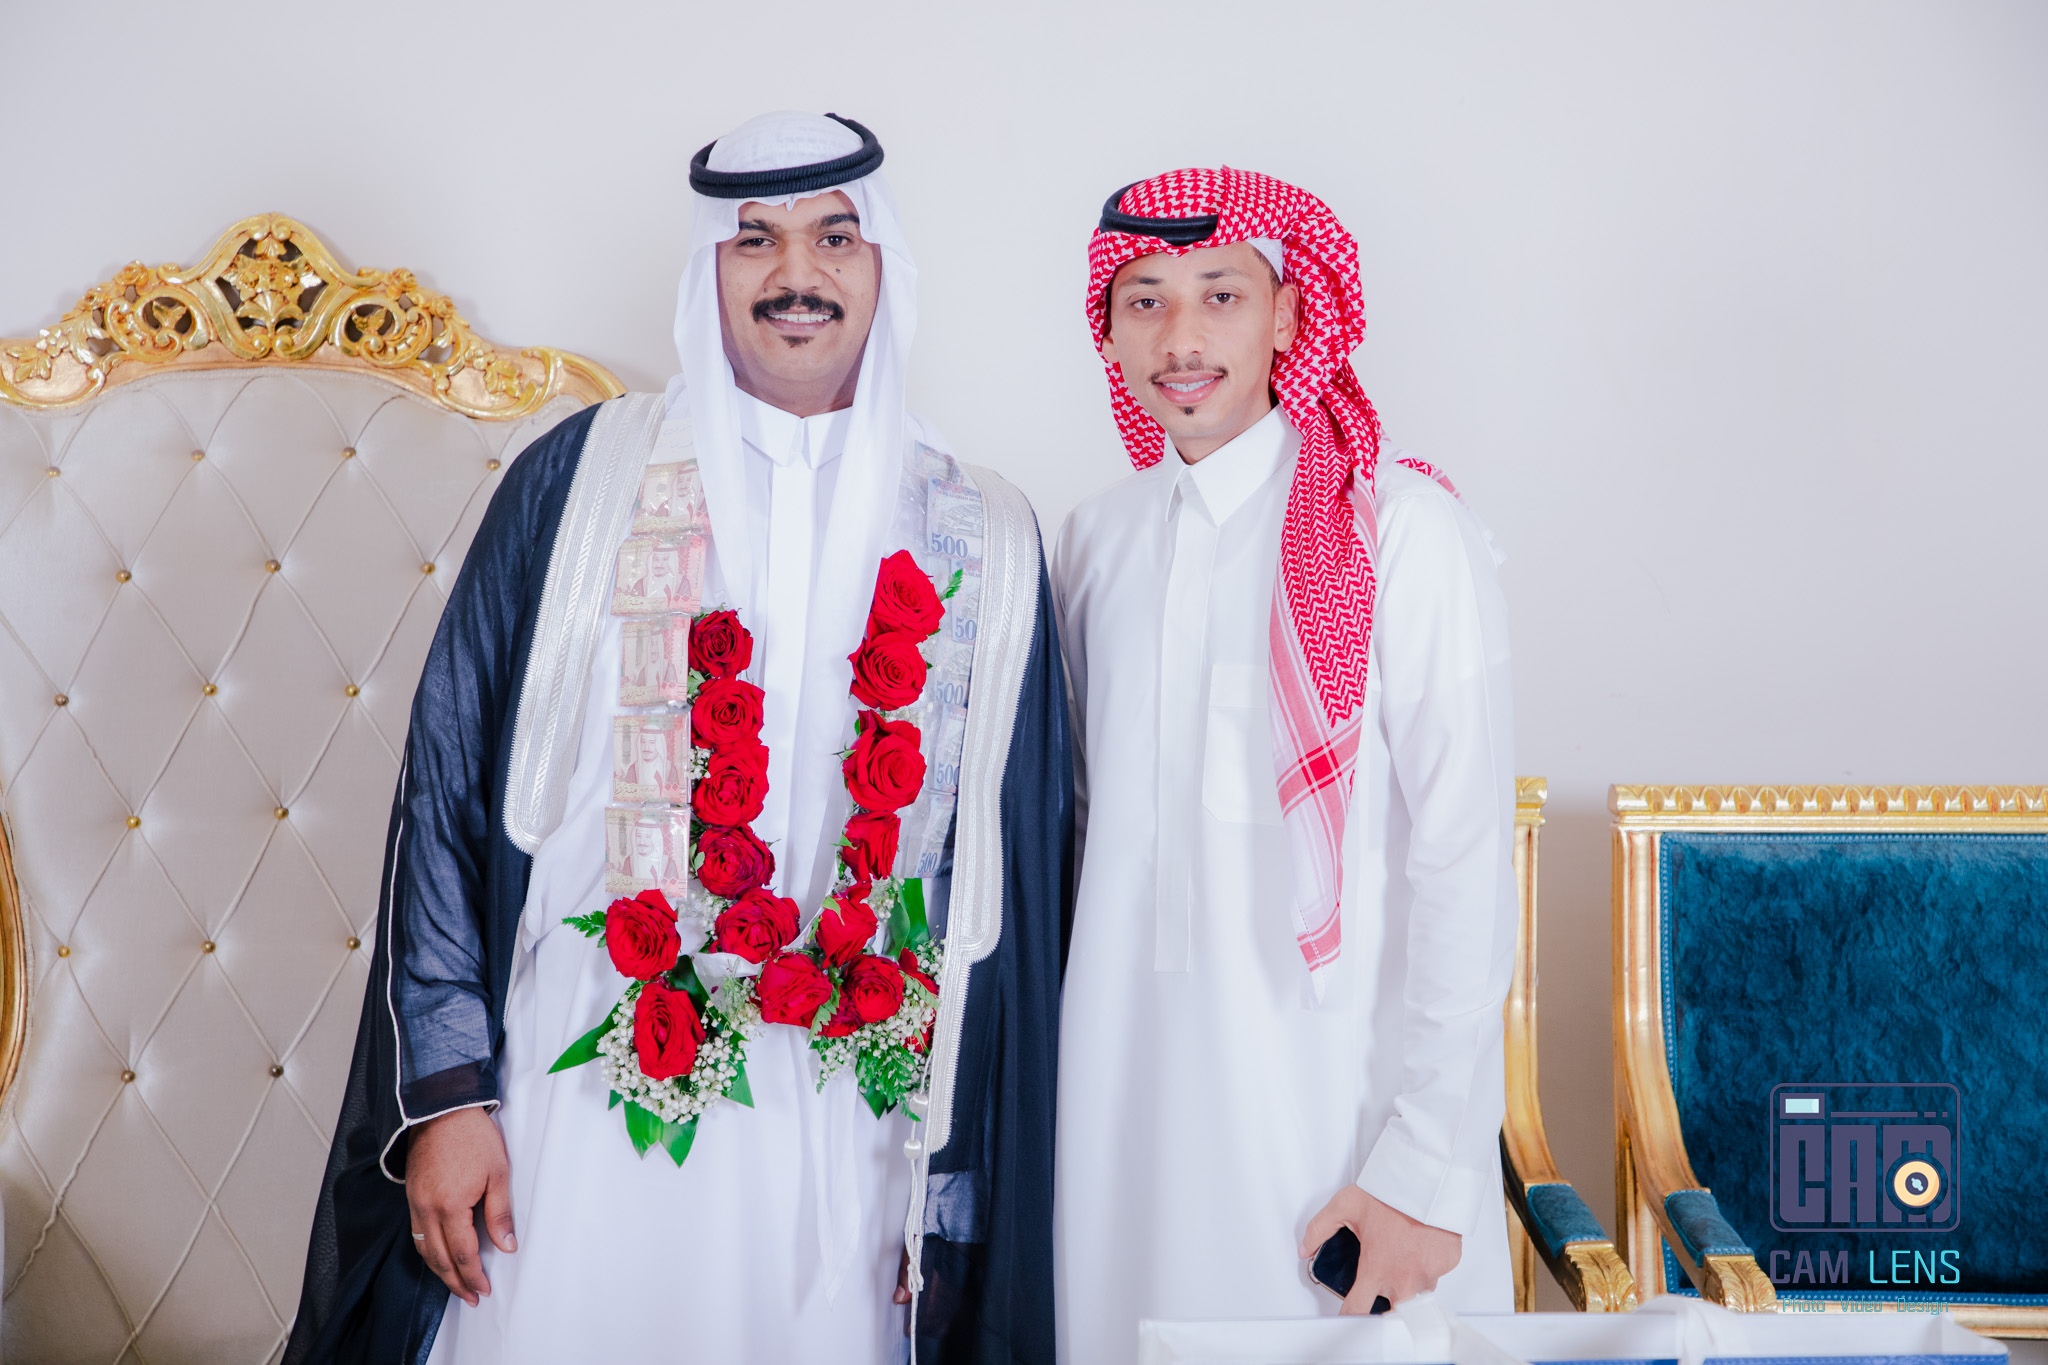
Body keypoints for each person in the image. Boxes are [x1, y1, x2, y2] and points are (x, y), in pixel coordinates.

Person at [286, 111, 1071, 1365]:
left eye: (834, 238)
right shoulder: (578, 478)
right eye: (754, 240)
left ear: (884, 268)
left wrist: (960, 1187)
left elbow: (1015, 899)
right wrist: (447, 1098)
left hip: (853, 1137)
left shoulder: (984, 532)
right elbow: (443, 791)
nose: (796, 274)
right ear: (708, 267)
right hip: (579, 1099)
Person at [1052, 169, 1516, 1359]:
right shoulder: (1095, 541)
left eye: (1220, 294)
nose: (1181, 337)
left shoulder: (1399, 530)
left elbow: (1464, 860)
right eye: (1144, 300)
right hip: (1124, 1112)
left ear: (1289, 318)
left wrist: (1420, 1167)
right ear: (1108, 330)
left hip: (1335, 1130)